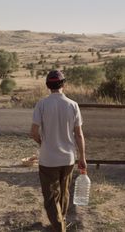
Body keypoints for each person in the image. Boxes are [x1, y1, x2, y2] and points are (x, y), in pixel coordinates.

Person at [31, 70, 87, 232]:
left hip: (48, 159)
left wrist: (43, 143)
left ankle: (58, 226)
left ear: (48, 85)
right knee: (64, 193)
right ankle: (60, 221)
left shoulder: (42, 104)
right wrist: (82, 157)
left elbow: (33, 132)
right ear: (63, 84)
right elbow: (79, 134)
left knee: (50, 197)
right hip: (68, 159)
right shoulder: (73, 105)